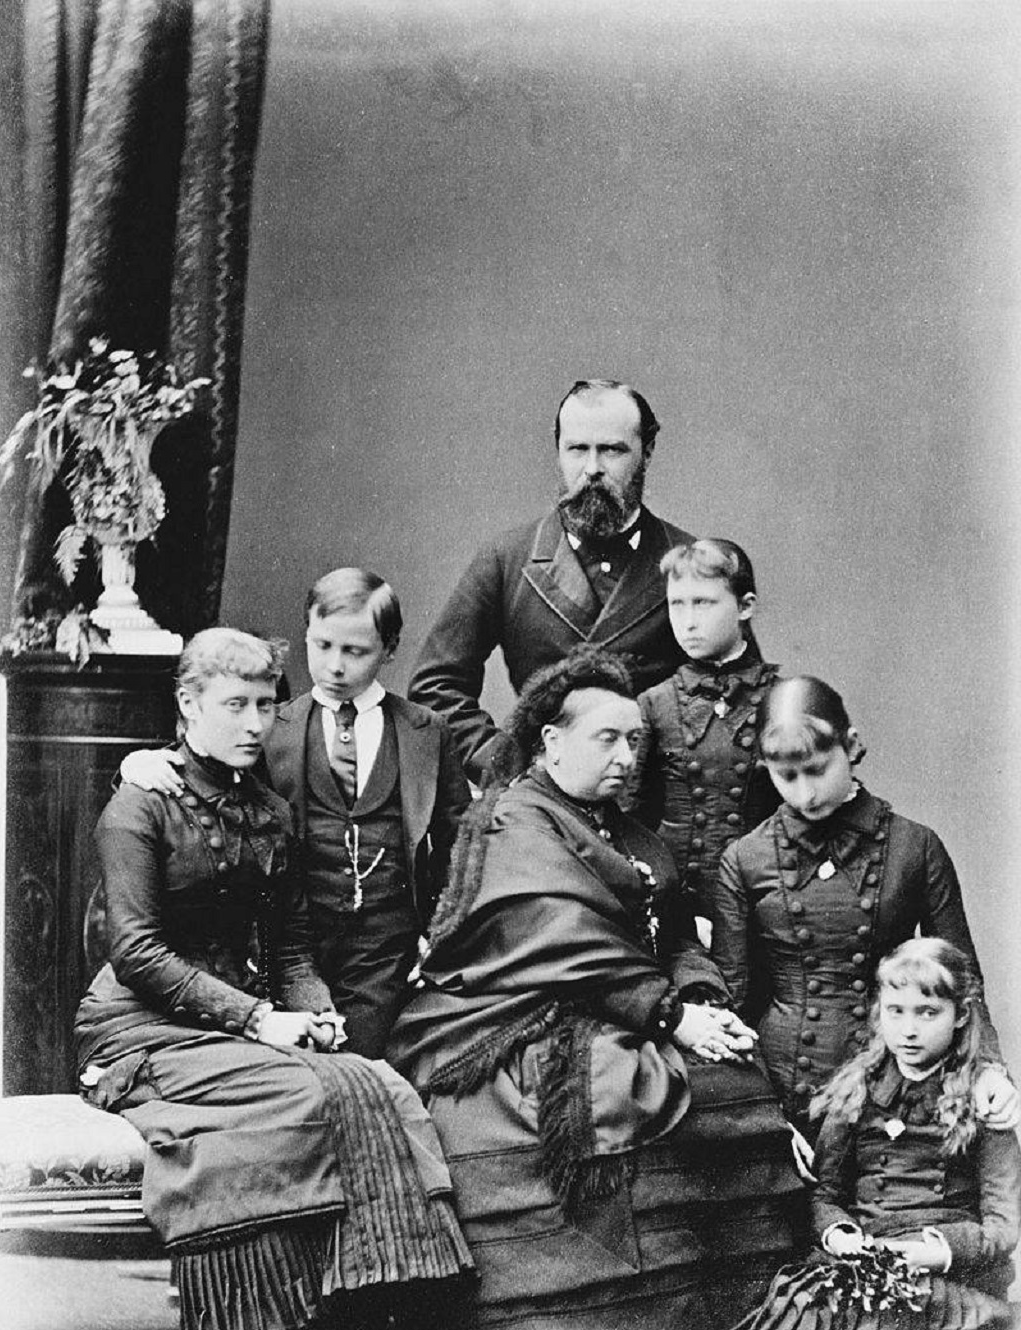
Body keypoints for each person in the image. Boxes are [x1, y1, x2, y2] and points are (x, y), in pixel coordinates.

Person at [389, 648, 804, 1330]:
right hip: (511, 1010)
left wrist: (700, 996)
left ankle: (734, 1329)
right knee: (619, 1092)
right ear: (551, 742)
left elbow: (673, 931)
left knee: (731, 1077)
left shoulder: (632, 834)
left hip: (622, 1001)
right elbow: (559, 938)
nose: (625, 756)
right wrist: (671, 1016)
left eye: (635, 740)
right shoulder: (516, 818)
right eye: (606, 739)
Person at [76, 628, 472, 1330]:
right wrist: (261, 1021)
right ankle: (284, 1322)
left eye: (265, 704)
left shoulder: (268, 810)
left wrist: (319, 1015)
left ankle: (360, 1308)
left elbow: (291, 948)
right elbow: (137, 953)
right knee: (305, 1092)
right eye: (236, 705)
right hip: (140, 1027)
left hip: (237, 1024)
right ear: (189, 703)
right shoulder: (140, 805)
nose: (256, 722)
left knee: (374, 1081)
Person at [120, 568, 470, 1058]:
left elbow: (463, 848)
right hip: (287, 948)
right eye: (322, 646)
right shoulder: (268, 724)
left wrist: (442, 933)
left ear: (389, 649)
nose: (335, 666)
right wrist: (135, 764)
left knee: (368, 1063)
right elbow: (203, 773)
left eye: (355, 651)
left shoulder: (426, 732)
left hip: (386, 953)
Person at [732, 938, 1021, 1330]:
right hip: (869, 1255)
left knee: (888, 1311)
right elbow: (825, 1193)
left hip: (948, 1270)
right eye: (895, 1011)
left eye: (927, 1013)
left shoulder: (984, 1099)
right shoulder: (856, 1089)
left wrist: (934, 1251)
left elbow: (1003, 1226)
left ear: (959, 1016)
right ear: (878, 1013)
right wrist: (841, 1234)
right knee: (807, 1312)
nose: (908, 1029)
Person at [711, 675, 1017, 1139]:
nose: (805, 793)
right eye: (786, 777)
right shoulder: (745, 858)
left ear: (851, 746)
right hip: (780, 1088)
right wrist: (758, 1115)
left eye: (817, 770)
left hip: (892, 1083)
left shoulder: (915, 847)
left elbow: (962, 977)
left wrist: (989, 1068)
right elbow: (732, 998)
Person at [408, 379, 697, 784]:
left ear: (646, 452)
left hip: (652, 801)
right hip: (542, 798)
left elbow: (737, 687)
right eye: (577, 449)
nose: (592, 468)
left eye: (612, 450)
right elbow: (435, 687)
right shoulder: (507, 558)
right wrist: (506, 767)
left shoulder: (690, 562)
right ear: (558, 450)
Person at [627, 538, 780, 922]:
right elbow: (627, 817)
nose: (688, 621)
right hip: (674, 902)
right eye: (677, 604)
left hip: (764, 899)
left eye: (704, 603)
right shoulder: (654, 704)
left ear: (745, 607)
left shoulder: (782, 700)